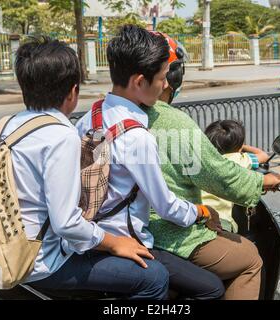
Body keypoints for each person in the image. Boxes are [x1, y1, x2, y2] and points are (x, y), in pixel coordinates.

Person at [0, 36, 173, 300]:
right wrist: (114, 242)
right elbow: (67, 223)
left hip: (2, 252)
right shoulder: (60, 135)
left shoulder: (4, 126)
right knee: (154, 277)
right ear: (73, 92)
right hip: (42, 262)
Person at [76, 25, 224, 300]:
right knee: (212, 289)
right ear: (139, 81)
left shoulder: (91, 116)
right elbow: (166, 207)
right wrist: (202, 212)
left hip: (91, 236)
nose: (166, 85)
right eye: (162, 78)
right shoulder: (136, 136)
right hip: (129, 243)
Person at [144, 32, 280, 300]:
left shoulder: (104, 113)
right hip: (169, 232)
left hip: (125, 230)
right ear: (169, 76)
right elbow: (217, 175)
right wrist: (261, 181)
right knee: (250, 259)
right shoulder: (173, 122)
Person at [202, 120, 269, 233]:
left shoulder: (202, 157)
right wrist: (243, 147)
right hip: (219, 220)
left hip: (196, 213)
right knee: (248, 249)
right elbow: (263, 155)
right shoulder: (238, 158)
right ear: (239, 146)